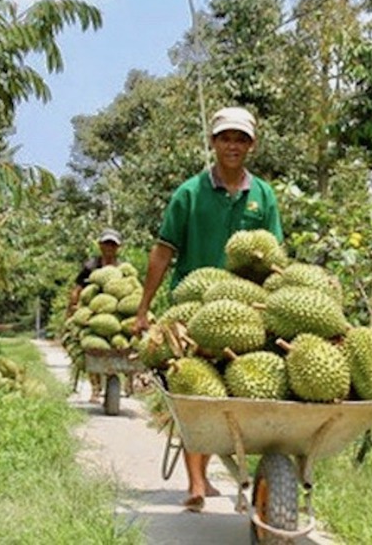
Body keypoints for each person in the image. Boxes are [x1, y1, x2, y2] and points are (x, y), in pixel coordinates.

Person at [133, 106, 283, 512]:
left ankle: (253, 471)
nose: (232, 145)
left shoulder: (263, 195)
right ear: (214, 143)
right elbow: (163, 252)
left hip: (245, 308)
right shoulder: (190, 193)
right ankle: (197, 481)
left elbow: (275, 256)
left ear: (251, 145)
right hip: (191, 305)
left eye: (240, 139)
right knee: (194, 389)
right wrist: (144, 309)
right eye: (225, 138)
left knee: (235, 389)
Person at [68, 227, 123, 402]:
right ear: (100, 245)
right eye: (106, 243)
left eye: (112, 245)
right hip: (91, 313)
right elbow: (77, 290)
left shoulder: (122, 269)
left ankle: (112, 378)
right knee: (90, 348)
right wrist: (73, 309)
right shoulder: (90, 266)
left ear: (118, 247)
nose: (109, 248)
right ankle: (95, 387)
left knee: (115, 347)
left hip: (116, 314)